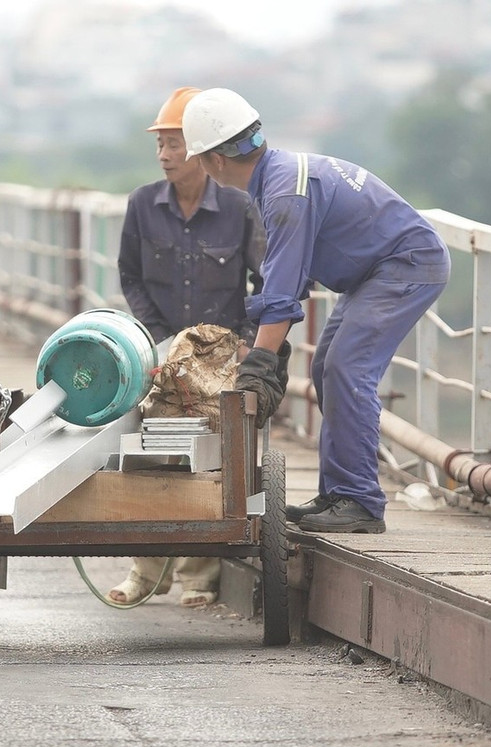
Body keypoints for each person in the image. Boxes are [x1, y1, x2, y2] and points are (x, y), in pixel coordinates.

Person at [182, 88, 450, 534]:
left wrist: (262, 362)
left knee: (347, 368)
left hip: (405, 266)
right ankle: (340, 492)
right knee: (327, 366)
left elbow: (284, 288)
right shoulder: (279, 176)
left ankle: (361, 502)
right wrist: (263, 344)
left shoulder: (285, 193)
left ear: (215, 160)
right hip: (376, 271)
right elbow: (288, 274)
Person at [107, 87, 265, 607]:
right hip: (159, 354)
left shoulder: (240, 208)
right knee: (149, 455)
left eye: (174, 144)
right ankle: (146, 573)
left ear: (201, 149)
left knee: (212, 459)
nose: (165, 155)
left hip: (220, 359)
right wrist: (157, 338)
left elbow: (268, 281)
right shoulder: (142, 205)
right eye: (160, 145)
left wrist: (243, 344)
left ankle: (199, 579)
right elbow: (130, 275)